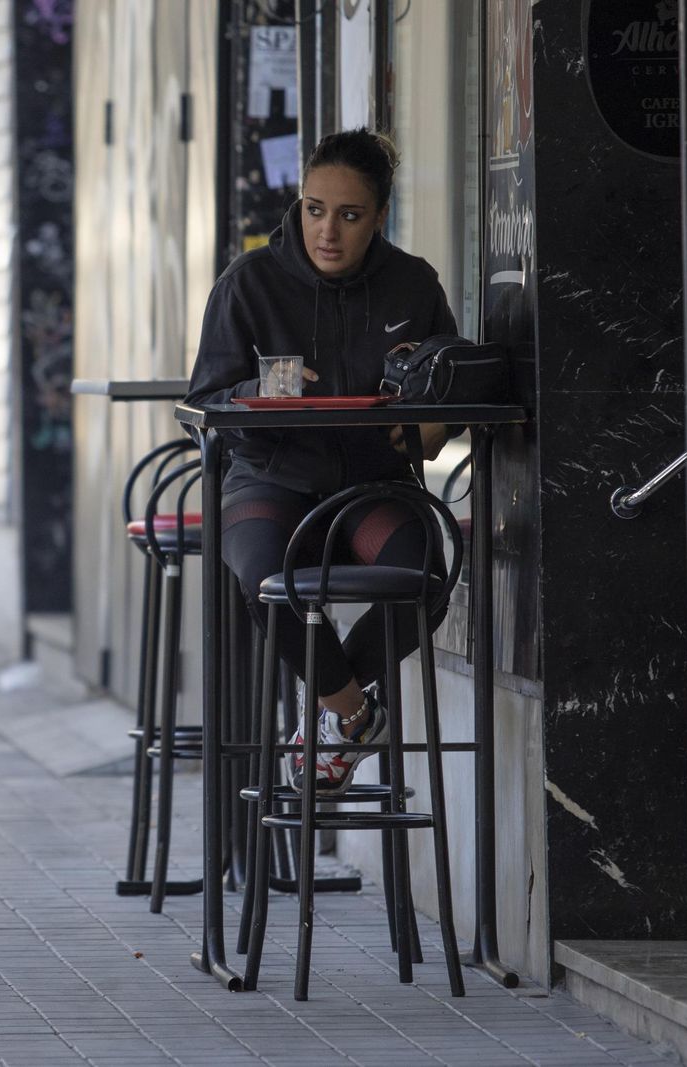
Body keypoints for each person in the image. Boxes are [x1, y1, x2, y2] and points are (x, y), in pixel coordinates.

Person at [184, 127, 456, 795]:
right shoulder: (249, 283)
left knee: (424, 579)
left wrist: (431, 426)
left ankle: (334, 723)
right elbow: (202, 402)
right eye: (314, 208)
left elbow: (448, 387)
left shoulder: (412, 283)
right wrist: (254, 392)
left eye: (349, 214)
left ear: (380, 217)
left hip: (370, 482)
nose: (326, 230)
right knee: (265, 575)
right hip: (272, 476)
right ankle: (352, 715)